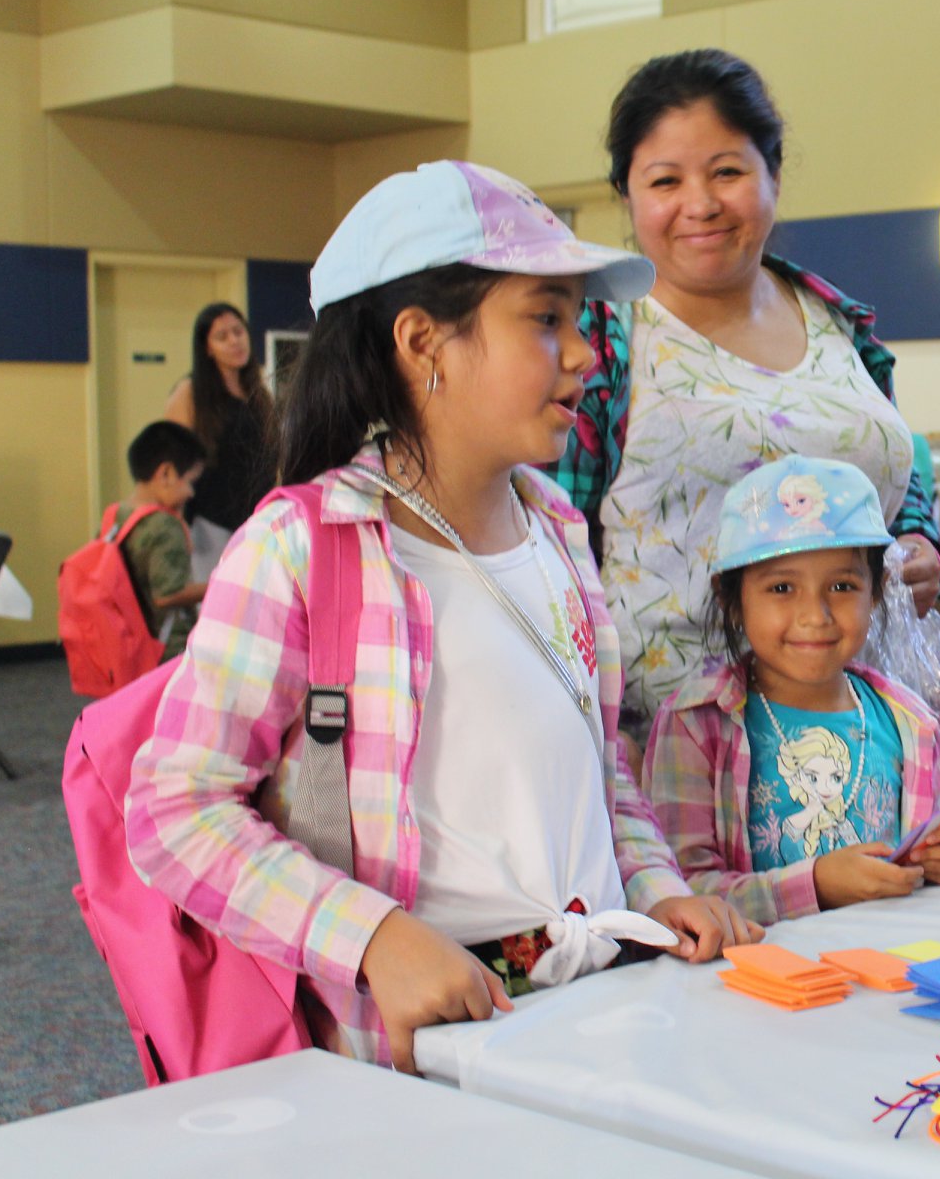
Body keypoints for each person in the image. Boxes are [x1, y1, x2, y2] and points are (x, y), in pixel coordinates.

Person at [126, 160, 761, 1077]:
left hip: (603, 1011)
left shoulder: (558, 531)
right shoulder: (303, 547)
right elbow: (176, 808)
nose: (582, 352)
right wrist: (374, 939)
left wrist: (657, 892)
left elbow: (595, 767)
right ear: (423, 342)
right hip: (428, 1054)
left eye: (577, 320)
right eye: (546, 318)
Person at [549, 48, 940, 733]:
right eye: (665, 180)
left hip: (868, 733)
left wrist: (919, 538)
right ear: (627, 196)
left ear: (774, 174)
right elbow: (547, 532)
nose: (700, 204)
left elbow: (893, 457)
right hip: (676, 750)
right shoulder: (598, 340)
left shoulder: (836, 319)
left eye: (727, 171)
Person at [641, 454, 940, 926]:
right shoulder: (695, 725)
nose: (815, 615)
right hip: (746, 989)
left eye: (841, 585)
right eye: (781, 588)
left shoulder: (910, 724)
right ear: (731, 600)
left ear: (876, 591)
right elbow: (681, 893)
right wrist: (815, 885)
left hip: (882, 976)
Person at [163, 301, 275, 581]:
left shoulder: (259, 393)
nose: (235, 341)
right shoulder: (190, 392)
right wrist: (177, 520)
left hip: (256, 521)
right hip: (209, 523)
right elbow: (171, 463)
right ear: (207, 348)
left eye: (239, 332)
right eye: (222, 336)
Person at [109, 421, 208, 660]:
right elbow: (167, 594)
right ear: (166, 473)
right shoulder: (164, 525)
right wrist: (217, 584)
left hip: (127, 641)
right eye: (190, 482)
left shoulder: (117, 513)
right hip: (165, 648)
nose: (191, 493)